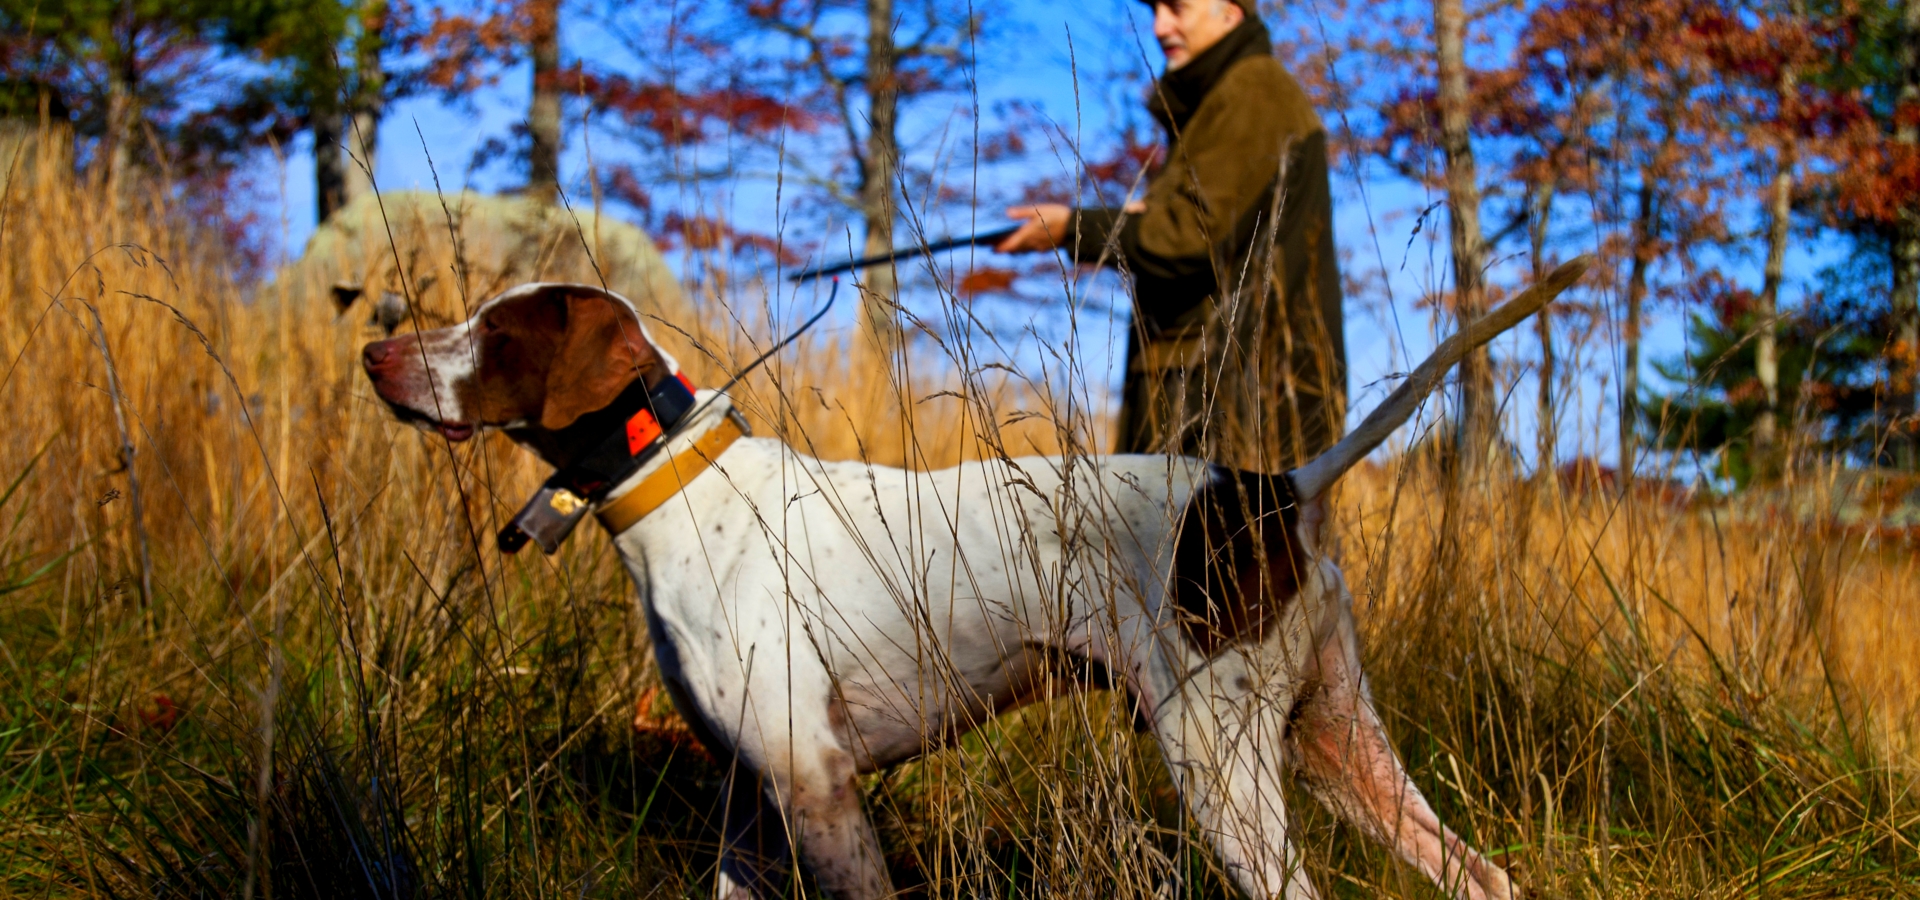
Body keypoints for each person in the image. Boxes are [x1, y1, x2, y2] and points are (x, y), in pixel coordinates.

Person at [997, 0, 1347, 474]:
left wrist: (1072, 228)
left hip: (1233, 390)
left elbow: (1191, 234)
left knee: (1220, 549)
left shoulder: (1254, 86)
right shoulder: (1218, 100)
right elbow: (1203, 220)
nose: (1161, 26)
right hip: (1204, 379)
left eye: (1177, 7)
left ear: (1230, 12)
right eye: (1155, 10)